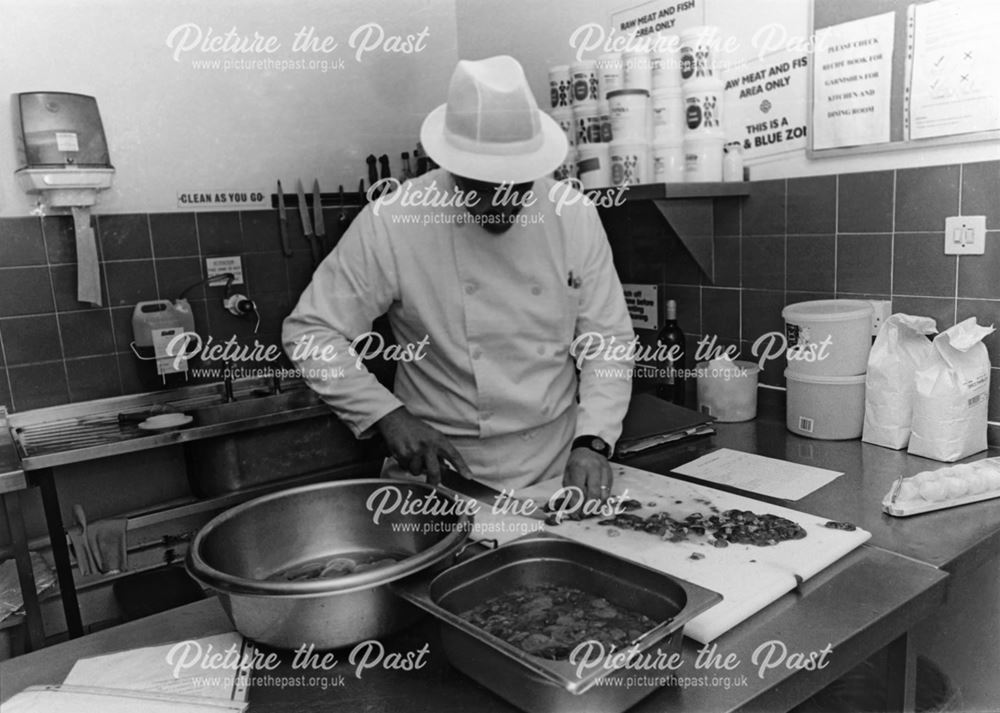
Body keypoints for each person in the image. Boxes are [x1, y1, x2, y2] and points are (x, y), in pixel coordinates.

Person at [282, 55, 634, 501]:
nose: (502, 205)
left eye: (518, 186)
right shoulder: (395, 219)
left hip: (554, 466)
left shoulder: (574, 215)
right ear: (452, 166)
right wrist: (386, 416)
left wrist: (594, 441)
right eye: (484, 189)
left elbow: (608, 341)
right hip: (439, 469)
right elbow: (311, 332)